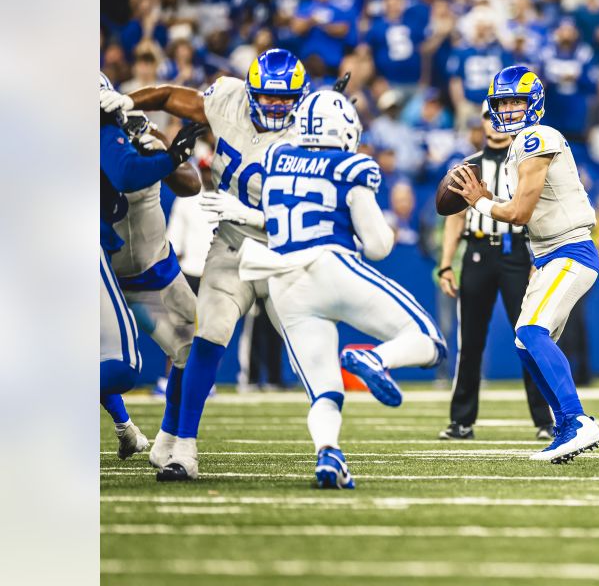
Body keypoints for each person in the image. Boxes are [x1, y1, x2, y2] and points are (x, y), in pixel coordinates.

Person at [236, 90, 447, 488]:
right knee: (429, 340)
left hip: (282, 280)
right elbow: (380, 247)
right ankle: (376, 359)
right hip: (330, 265)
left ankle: (329, 454)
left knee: (325, 392)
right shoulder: (353, 165)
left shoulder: (275, 158)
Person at [118, 48, 312, 481]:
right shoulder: (229, 100)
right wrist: (127, 102)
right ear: (251, 93)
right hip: (231, 243)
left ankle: (330, 446)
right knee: (207, 336)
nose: (278, 105)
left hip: (287, 248)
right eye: (269, 97)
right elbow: (169, 95)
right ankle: (183, 447)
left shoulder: (313, 128)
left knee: (309, 349)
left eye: (287, 98)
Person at [447, 65, 599, 463]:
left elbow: (519, 214)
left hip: (570, 250)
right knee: (524, 341)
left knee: (533, 332)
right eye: (503, 102)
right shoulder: (522, 144)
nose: (511, 108)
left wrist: (479, 201)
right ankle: (565, 424)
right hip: (550, 254)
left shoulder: (538, 137)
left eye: (517, 100)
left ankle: (577, 420)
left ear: (534, 101)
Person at [98, 73, 205, 460]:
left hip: (153, 273)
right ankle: (125, 426)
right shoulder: (98, 143)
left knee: (194, 350)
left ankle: (168, 438)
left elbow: (191, 184)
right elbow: (122, 174)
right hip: (104, 269)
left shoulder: (142, 131)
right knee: (108, 359)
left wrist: (163, 153)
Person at [436, 118, 556, 441]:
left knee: (530, 337)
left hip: (517, 253)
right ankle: (461, 421)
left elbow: (537, 211)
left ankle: (545, 420)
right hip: (477, 253)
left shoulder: (526, 160)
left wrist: (538, 257)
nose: (496, 122)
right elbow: (455, 219)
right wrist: (446, 264)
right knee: (470, 341)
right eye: (490, 115)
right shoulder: (469, 166)